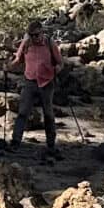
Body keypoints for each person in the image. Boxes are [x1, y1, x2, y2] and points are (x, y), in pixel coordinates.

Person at [8, 19, 63, 154]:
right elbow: (18, 60)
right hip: (30, 82)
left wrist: (56, 70)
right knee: (23, 112)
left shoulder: (50, 44)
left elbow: (60, 63)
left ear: (42, 33)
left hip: (46, 83)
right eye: (31, 35)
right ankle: (15, 142)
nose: (34, 38)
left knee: (48, 114)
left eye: (36, 35)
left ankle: (51, 144)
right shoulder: (26, 44)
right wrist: (7, 66)